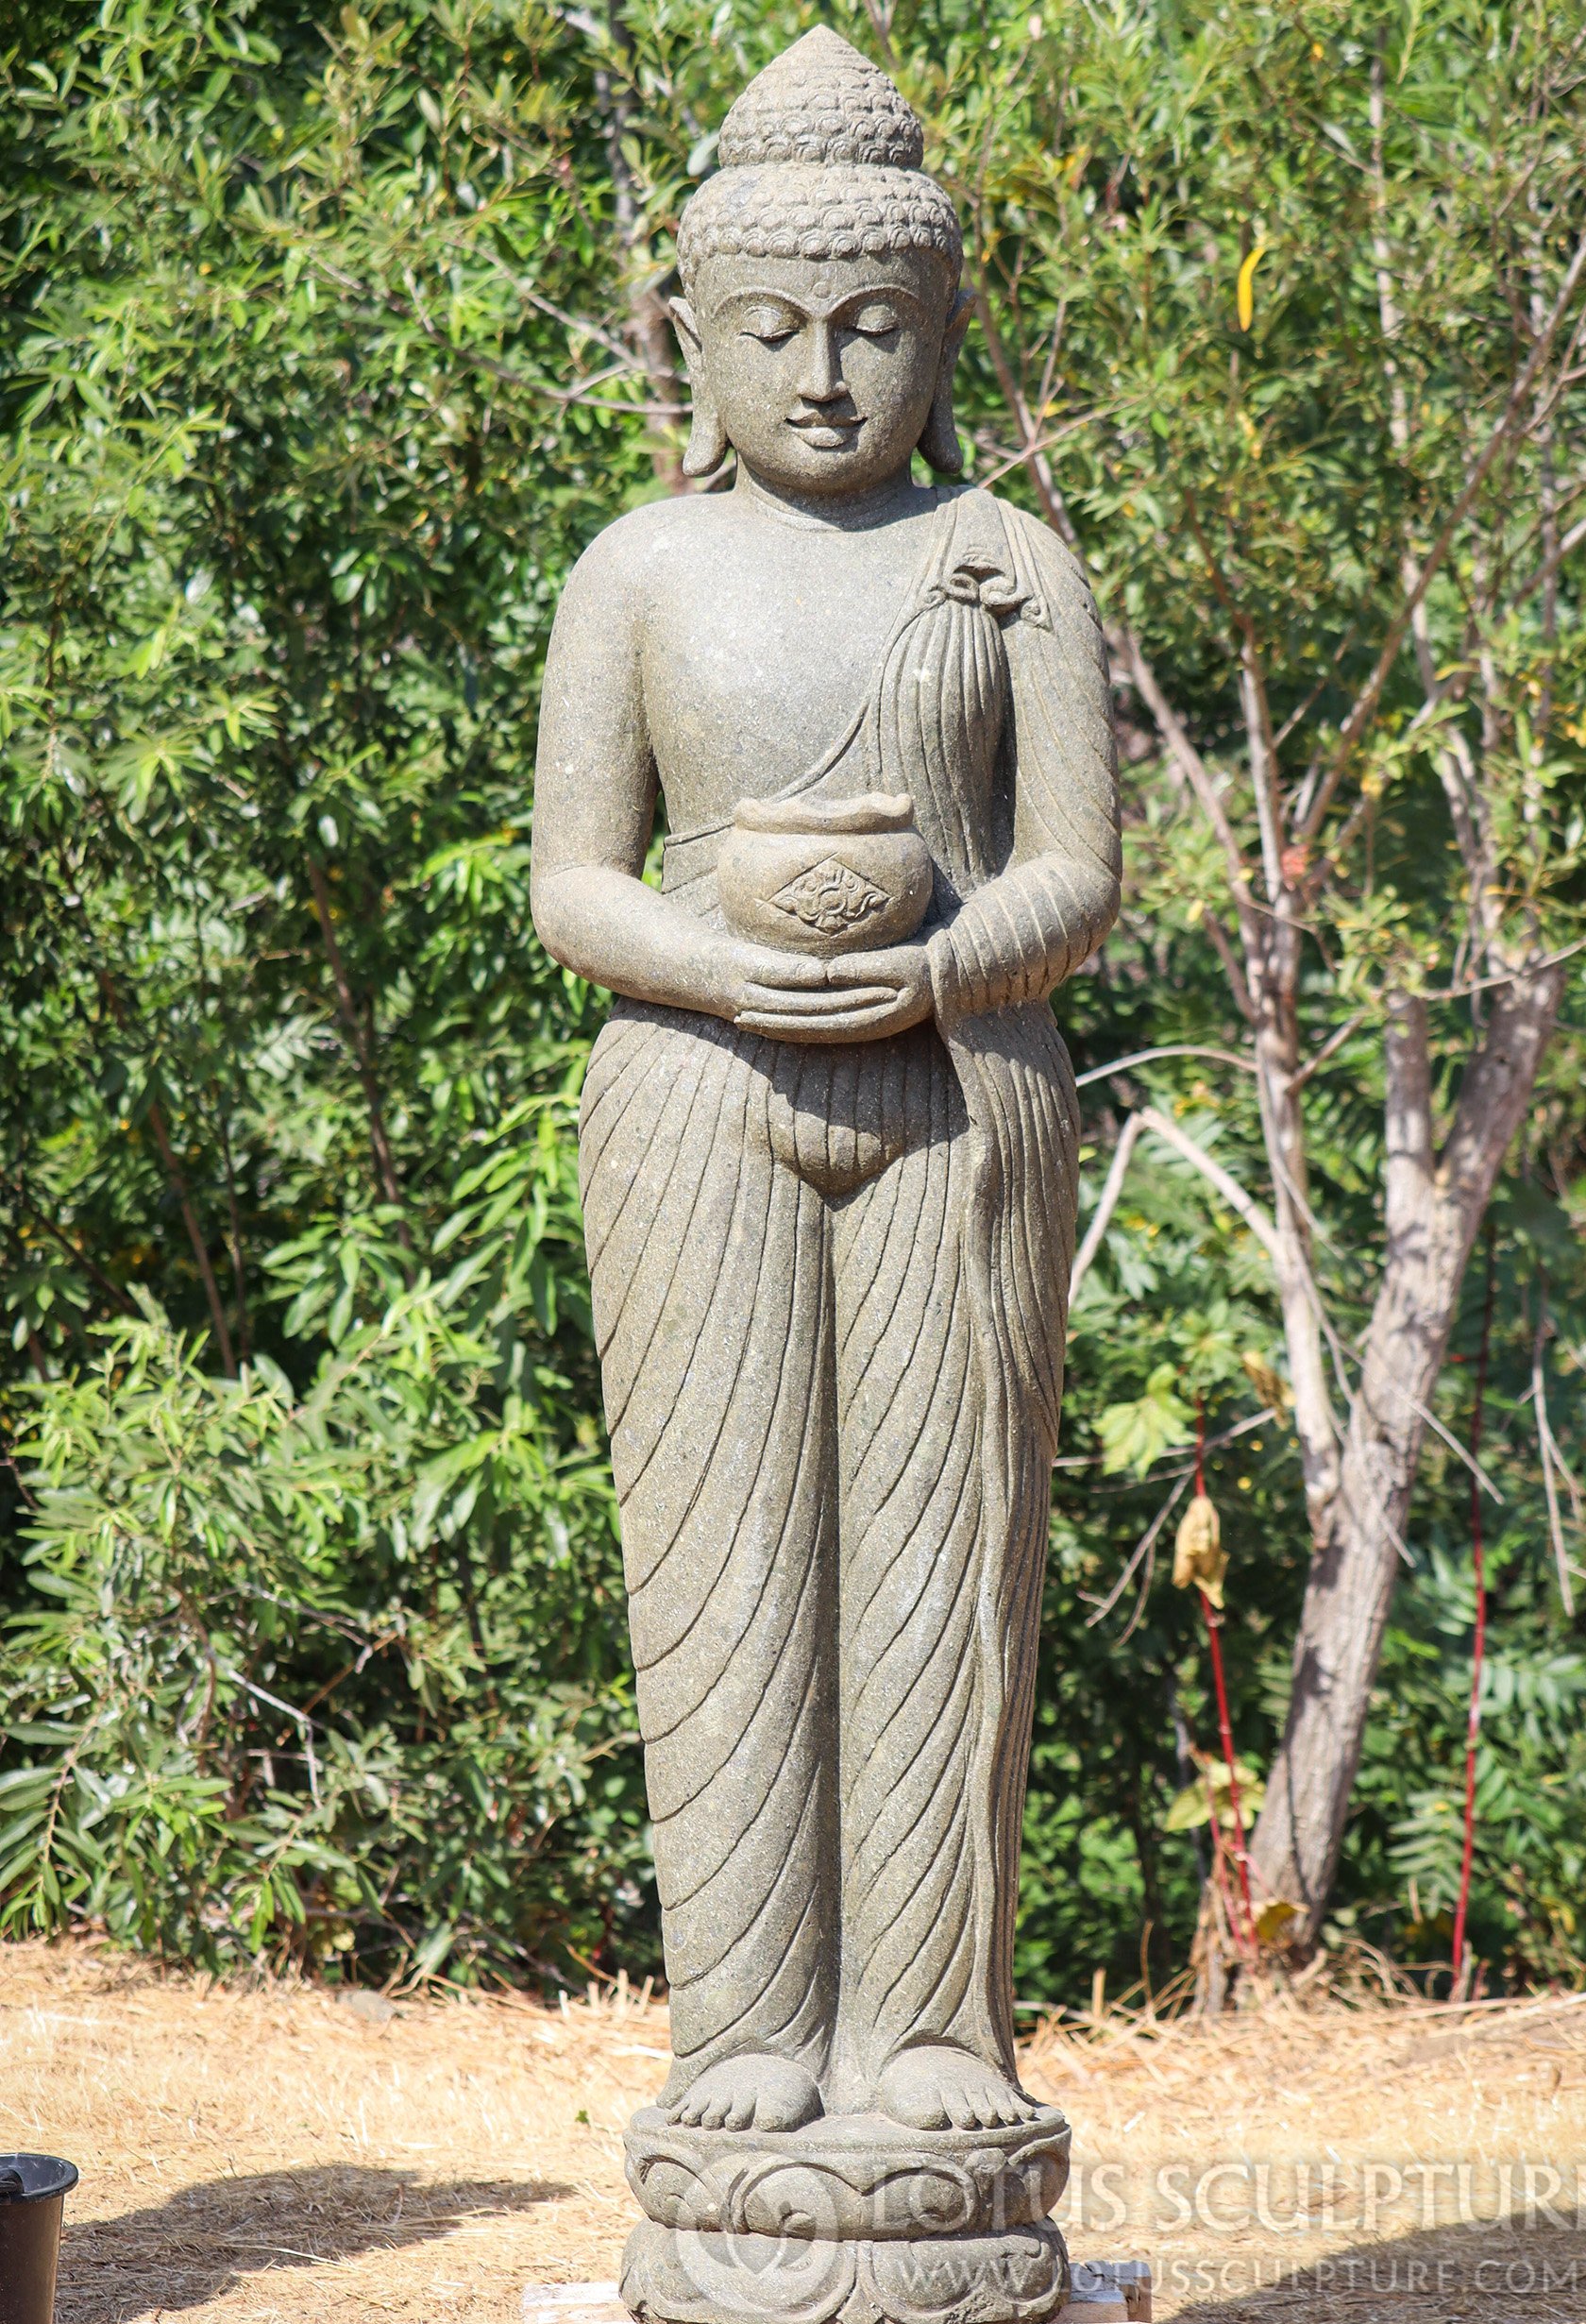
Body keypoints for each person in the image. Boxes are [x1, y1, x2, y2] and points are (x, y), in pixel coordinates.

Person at [531, 27, 1120, 2147]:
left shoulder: (1009, 565)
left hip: (964, 1093)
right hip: (695, 1094)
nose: (827, 376)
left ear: (947, 328)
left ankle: (933, 2030)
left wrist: (936, 961)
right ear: (690, 333)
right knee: (725, 1572)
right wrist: (744, 969)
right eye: (771, 329)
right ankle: (745, 2034)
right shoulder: (643, 568)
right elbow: (574, 884)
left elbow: (1076, 868)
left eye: (878, 327)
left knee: (946, 1570)